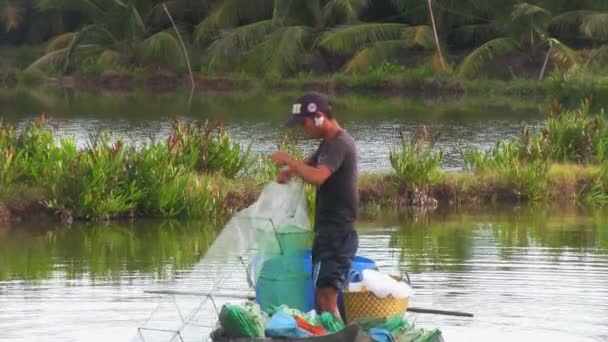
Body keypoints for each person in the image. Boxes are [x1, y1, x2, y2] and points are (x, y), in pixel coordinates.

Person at [272, 92, 359, 320]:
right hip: (327, 234)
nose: (304, 128)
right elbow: (310, 164)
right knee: (323, 296)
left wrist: (289, 162)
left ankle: (339, 337)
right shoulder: (327, 145)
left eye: (304, 123)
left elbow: (319, 176)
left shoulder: (340, 143)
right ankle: (335, 334)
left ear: (319, 117)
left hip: (338, 235)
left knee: (326, 296)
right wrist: (290, 171)